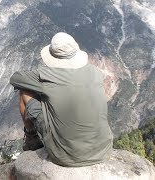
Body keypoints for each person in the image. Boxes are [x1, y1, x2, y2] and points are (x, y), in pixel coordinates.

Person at [10, 32, 113, 167]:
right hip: (103, 150)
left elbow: (15, 79)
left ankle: (31, 138)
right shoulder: (95, 72)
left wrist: (41, 75)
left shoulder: (46, 76)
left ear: (52, 56)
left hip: (64, 156)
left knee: (25, 92)